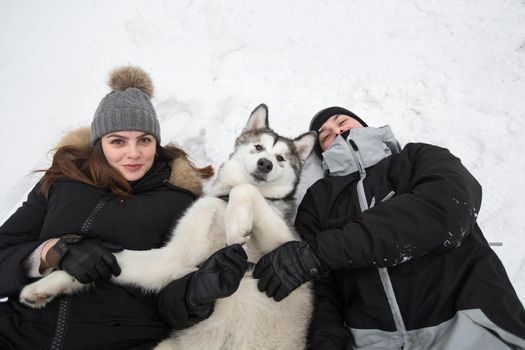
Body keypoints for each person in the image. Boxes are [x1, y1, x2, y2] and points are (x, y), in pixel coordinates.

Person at [0, 66, 249, 350]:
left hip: (121, 339)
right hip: (20, 332)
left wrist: (196, 292)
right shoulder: (61, 182)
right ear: (98, 143)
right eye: (118, 141)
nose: (133, 153)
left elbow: (168, 304)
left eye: (144, 140)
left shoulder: (179, 202)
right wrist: (52, 252)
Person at [253, 106, 525, 349]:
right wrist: (327, 340)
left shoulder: (418, 158)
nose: (336, 131)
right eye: (325, 135)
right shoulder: (319, 200)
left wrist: (321, 251)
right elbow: (320, 288)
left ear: (363, 124)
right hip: (373, 339)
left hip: (469, 324)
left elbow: (445, 210)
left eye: (341, 121)